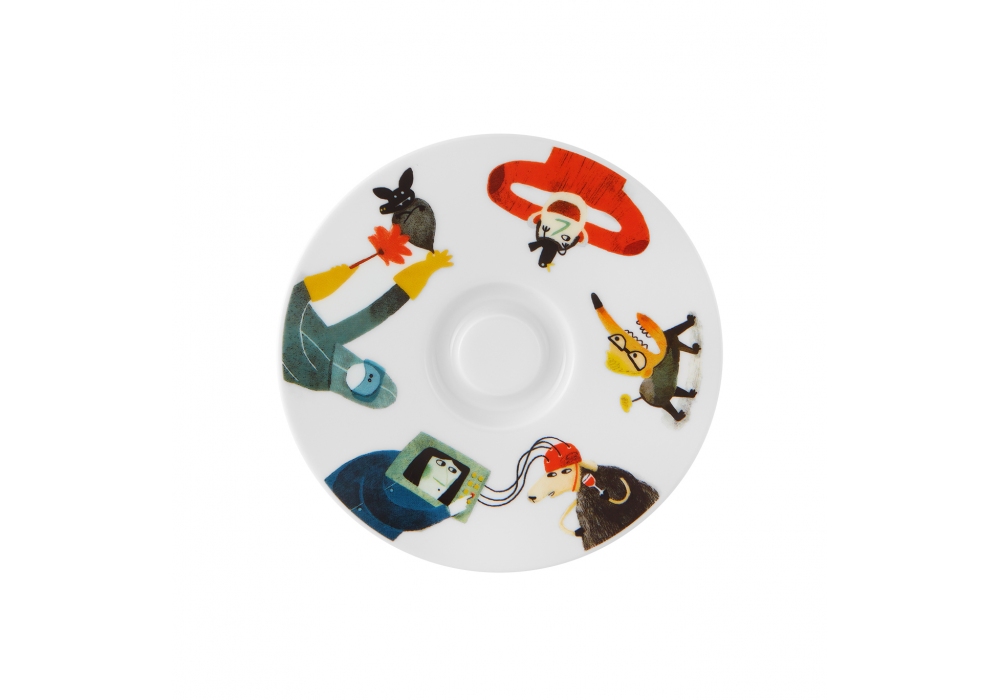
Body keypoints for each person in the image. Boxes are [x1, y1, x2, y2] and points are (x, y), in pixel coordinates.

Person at [281, 249, 453, 408]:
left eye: (367, 384)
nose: (362, 376)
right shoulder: (330, 350)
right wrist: (424, 270)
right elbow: (377, 313)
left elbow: (297, 298)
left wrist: (325, 281)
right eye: (371, 376)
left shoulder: (312, 372)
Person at [326, 447, 473, 540]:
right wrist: (447, 511)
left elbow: (407, 520)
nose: (443, 472)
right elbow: (385, 509)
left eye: (453, 470)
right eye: (440, 463)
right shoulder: (394, 460)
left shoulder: (430, 502)